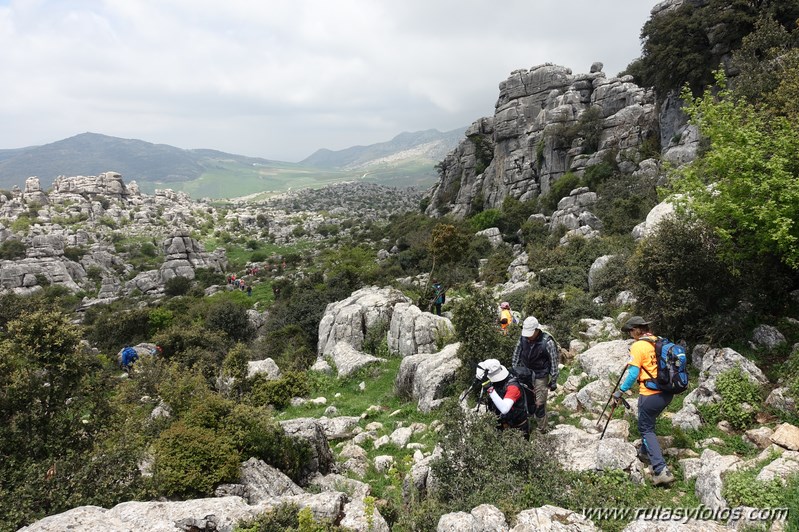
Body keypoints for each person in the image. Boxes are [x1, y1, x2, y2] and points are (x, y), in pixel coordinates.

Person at [613, 316, 676, 486]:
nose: (630, 334)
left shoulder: (638, 346)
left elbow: (633, 373)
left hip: (650, 393)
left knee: (645, 428)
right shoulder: (658, 341)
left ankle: (661, 470)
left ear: (636, 330)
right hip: (667, 392)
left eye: (630, 331)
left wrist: (620, 391)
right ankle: (645, 453)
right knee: (649, 423)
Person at [512, 316, 559, 433]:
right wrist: (515, 371)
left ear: (537, 330)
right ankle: (528, 420)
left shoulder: (547, 343)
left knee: (539, 403)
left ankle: (542, 429)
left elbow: (554, 362)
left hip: (540, 375)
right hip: (525, 373)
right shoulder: (523, 338)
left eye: (530, 333)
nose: (528, 336)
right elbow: (516, 355)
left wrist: (553, 381)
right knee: (526, 399)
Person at [476, 358, 529, 438]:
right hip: (502, 425)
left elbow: (504, 409)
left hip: (517, 427)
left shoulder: (513, 387)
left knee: (519, 449)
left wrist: (490, 389)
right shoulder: (497, 383)